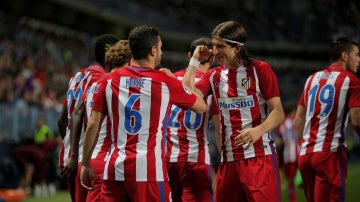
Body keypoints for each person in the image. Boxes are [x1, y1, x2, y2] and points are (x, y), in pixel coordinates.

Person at [80, 25, 208, 202]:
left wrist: (86, 163)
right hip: (148, 173)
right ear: (153, 50)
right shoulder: (165, 82)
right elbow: (201, 106)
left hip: (114, 171)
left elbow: (93, 124)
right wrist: (178, 75)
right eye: (161, 48)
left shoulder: (108, 81)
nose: (162, 53)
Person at [182, 20, 285, 201]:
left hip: (259, 158)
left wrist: (257, 131)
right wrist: (194, 61)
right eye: (213, 46)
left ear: (237, 47)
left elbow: (278, 112)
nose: (214, 51)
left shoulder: (259, 70)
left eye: (220, 46)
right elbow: (187, 94)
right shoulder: (214, 76)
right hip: (228, 161)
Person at [294, 36, 360, 202]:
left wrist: (303, 147)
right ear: (345, 56)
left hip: (305, 155)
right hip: (328, 154)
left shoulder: (311, 79)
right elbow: (357, 121)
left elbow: (298, 120)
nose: (359, 60)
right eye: (357, 55)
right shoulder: (351, 81)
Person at [57, 34, 119, 202]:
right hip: (84, 159)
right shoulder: (99, 79)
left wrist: (70, 150)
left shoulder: (77, 77)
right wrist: (76, 155)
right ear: (108, 52)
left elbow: (62, 120)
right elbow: (78, 113)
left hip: (68, 157)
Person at [71, 39, 131, 202]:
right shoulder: (117, 85)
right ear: (129, 61)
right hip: (107, 160)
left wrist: (79, 158)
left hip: (90, 157)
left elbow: (78, 114)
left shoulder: (94, 86)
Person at [165, 37, 220, 202]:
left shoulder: (170, 79)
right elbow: (219, 128)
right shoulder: (213, 85)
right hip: (196, 159)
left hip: (168, 159)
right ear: (212, 59)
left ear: (190, 56)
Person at [275, 101, 299, 202]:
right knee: (308, 180)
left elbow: (278, 142)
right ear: (294, 111)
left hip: (288, 157)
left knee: (290, 183)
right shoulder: (299, 120)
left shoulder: (282, 125)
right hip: (300, 154)